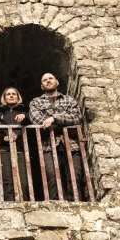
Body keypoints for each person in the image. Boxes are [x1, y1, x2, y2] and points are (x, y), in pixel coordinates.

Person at [29, 73, 84, 201]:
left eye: (50, 78)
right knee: (52, 176)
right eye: (44, 80)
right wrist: (63, 120)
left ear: (57, 82)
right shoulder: (36, 102)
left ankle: (75, 204)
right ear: (42, 86)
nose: (48, 81)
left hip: (72, 144)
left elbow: (76, 118)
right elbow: (36, 119)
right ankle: (55, 204)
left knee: (75, 176)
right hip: (48, 145)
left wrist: (54, 118)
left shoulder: (69, 100)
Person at [0, 87, 30, 201]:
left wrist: (25, 117)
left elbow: (33, 121)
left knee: (24, 182)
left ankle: (24, 205)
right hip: (4, 151)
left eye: (14, 94)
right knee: (7, 181)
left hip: (21, 150)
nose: (11, 96)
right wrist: (4, 138)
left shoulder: (25, 114)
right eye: (8, 94)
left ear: (18, 98)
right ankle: (10, 207)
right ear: (4, 98)